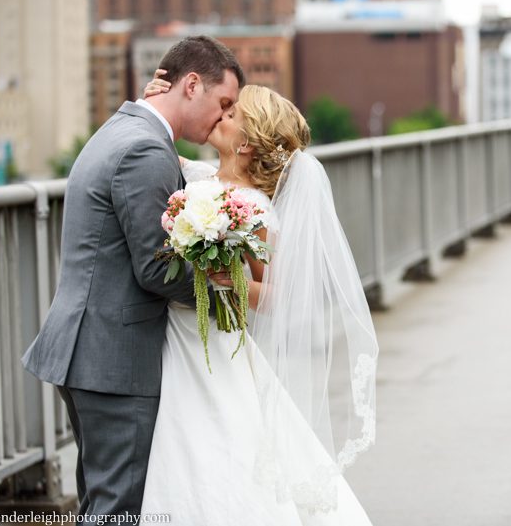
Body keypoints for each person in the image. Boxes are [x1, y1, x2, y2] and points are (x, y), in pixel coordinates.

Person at [140, 74, 379, 525]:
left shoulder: (256, 208)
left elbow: (275, 295)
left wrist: (225, 279)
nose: (219, 115)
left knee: (218, 443)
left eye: (230, 115)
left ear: (247, 143)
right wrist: (152, 95)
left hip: (217, 342)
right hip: (176, 334)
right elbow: (153, 135)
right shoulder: (197, 175)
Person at [21, 37, 243, 518]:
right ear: (190, 85)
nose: (223, 118)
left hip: (93, 348)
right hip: (113, 359)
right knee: (119, 507)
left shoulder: (124, 129)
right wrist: (225, 288)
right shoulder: (145, 149)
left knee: (101, 501)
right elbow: (157, 267)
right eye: (223, 103)